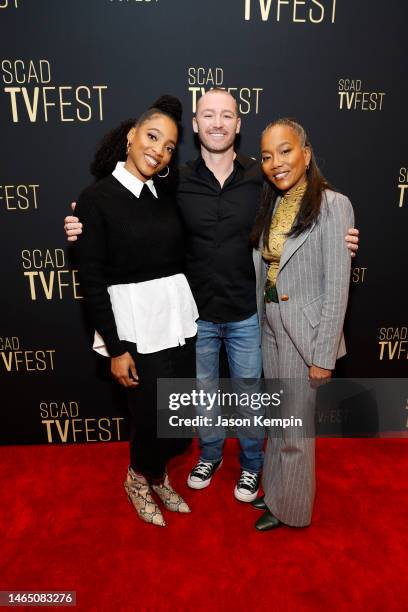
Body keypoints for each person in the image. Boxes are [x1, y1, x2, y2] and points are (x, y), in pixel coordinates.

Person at [65, 89, 359, 503]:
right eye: (208, 115)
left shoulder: (264, 178)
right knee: (201, 393)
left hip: (247, 312)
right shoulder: (174, 180)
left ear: (239, 125)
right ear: (197, 126)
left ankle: (253, 464)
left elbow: (304, 205)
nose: (217, 122)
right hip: (194, 316)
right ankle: (210, 454)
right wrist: (83, 223)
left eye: (227, 115)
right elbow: (128, 208)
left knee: (250, 394)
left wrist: (341, 235)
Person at [73, 96, 198, 528]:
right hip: (134, 328)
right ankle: (136, 478)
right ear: (130, 136)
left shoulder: (165, 189)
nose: (159, 150)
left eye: (168, 146)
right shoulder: (95, 199)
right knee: (149, 415)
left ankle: (158, 475)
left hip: (176, 321)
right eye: (151, 137)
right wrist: (116, 348)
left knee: (178, 417)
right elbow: (92, 279)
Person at [250, 118, 354, 531]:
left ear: (306, 153)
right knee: (279, 422)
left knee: (294, 427)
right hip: (271, 325)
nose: (276, 162)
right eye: (267, 155)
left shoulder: (333, 205)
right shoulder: (272, 202)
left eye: (286, 150)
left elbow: (337, 287)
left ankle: (292, 511)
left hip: (305, 335)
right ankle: (276, 491)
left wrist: (323, 354)